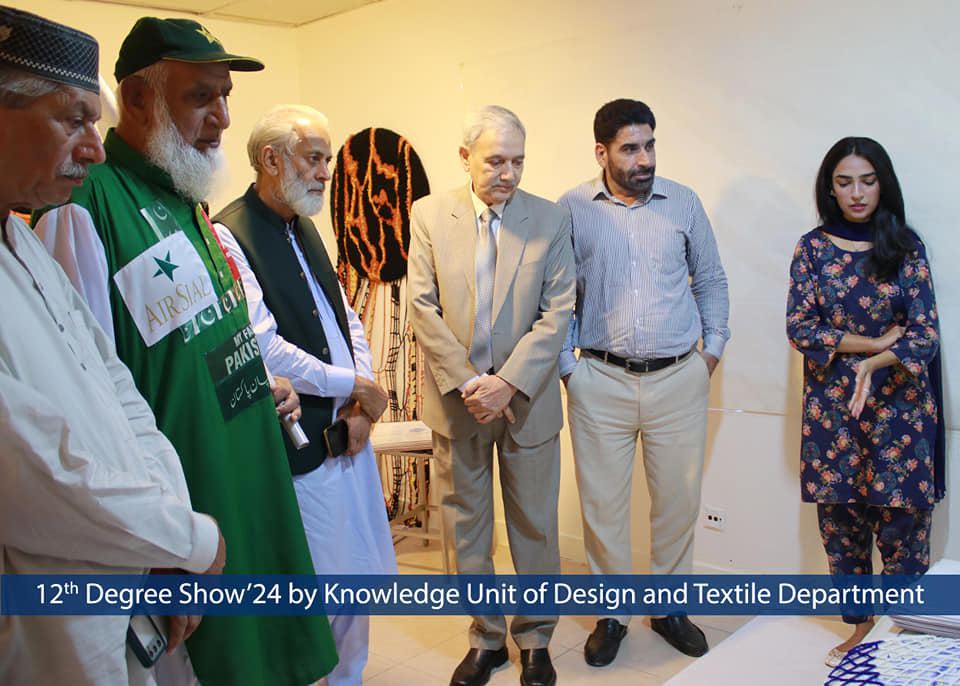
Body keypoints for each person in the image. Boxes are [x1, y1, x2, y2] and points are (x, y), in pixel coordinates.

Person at [32, 17, 337, 686]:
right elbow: (91, 402)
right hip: (185, 518)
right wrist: (157, 540)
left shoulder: (184, 195)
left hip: (250, 483)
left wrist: (259, 378)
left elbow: (194, 343)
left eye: (225, 96)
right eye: (201, 97)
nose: (223, 118)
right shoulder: (85, 208)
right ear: (138, 98)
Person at [0, 7, 226, 684]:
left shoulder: (20, 244)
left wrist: (170, 540)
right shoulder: (64, 219)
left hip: (124, 588)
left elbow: (118, 394)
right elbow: (39, 475)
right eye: (73, 120)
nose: (94, 149)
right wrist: (190, 540)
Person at [212, 104, 397, 686]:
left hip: (348, 429)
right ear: (271, 159)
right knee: (321, 584)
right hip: (300, 441)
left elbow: (346, 318)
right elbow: (264, 346)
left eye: (327, 160)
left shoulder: (305, 223)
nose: (325, 172)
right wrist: (354, 386)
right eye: (313, 158)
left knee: (359, 580)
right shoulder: (229, 233)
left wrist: (361, 402)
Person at [407, 105, 575, 686]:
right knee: (467, 529)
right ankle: (485, 638)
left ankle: (535, 639)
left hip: (527, 401)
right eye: (496, 160)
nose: (509, 173)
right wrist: (469, 382)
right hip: (459, 403)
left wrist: (506, 383)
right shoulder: (429, 214)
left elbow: (557, 312)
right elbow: (421, 305)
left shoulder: (550, 219)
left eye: (518, 161)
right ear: (465, 157)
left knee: (536, 527)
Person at [558, 98, 729, 664]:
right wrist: (569, 369)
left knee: (677, 503)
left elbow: (711, 279)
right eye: (630, 148)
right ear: (602, 152)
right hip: (599, 379)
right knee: (602, 506)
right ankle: (613, 614)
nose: (645, 158)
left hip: (678, 378)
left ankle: (670, 609)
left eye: (650, 144)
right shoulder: (572, 209)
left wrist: (711, 352)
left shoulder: (684, 203)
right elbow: (556, 296)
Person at [786, 137, 943, 667]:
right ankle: (860, 630)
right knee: (842, 525)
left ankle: (904, 634)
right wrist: (873, 344)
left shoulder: (905, 245)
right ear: (829, 188)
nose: (857, 193)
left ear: (883, 184)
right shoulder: (811, 249)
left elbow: (924, 334)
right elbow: (801, 327)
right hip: (832, 413)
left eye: (868, 181)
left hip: (901, 411)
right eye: (845, 182)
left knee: (903, 529)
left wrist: (876, 363)